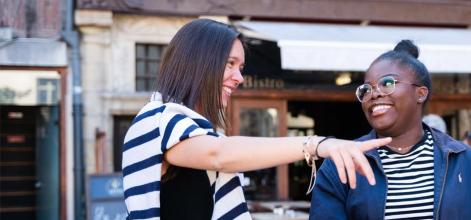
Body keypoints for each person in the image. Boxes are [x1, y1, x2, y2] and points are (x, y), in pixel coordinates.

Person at [121, 19, 391, 220]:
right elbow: (219, 154)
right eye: (229, 64)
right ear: (197, 62)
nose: (239, 78)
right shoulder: (156, 120)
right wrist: (316, 144)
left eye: (241, 68)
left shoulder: (191, 128)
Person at [310, 40, 471, 219]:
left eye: (387, 83)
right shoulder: (341, 164)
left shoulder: (463, 160)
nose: (374, 94)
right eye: (366, 89)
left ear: (420, 93)